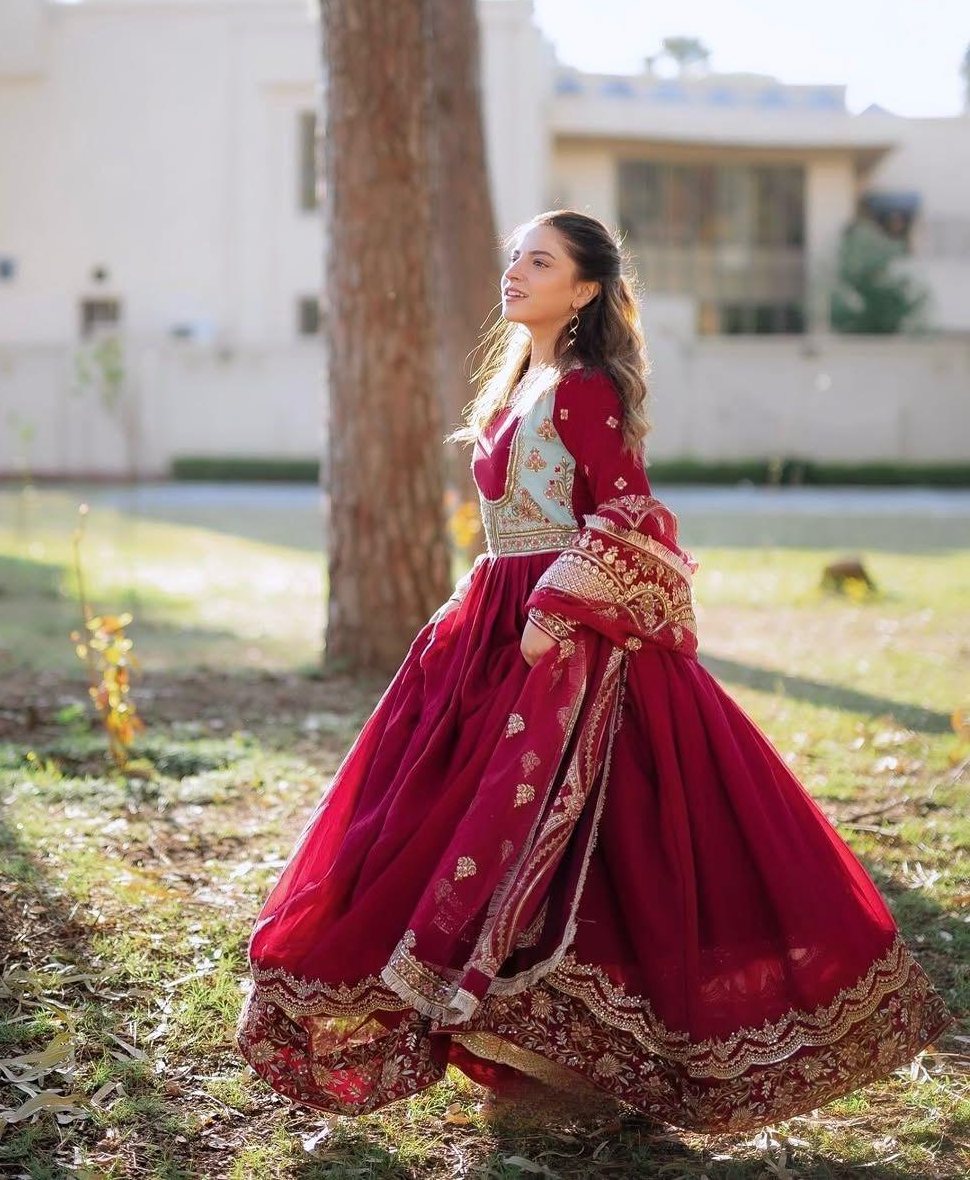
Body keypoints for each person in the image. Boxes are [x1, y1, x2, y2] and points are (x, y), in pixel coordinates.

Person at [235, 208, 954, 1132]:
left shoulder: (581, 390)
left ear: (583, 290)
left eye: (540, 262)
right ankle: (530, 1037)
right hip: (494, 620)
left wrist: (557, 609)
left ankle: (602, 1041)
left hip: (565, 638)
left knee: (610, 835)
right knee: (441, 813)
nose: (516, 272)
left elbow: (630, 513)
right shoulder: (517, 384)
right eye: (514, 258)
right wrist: (504, 608)